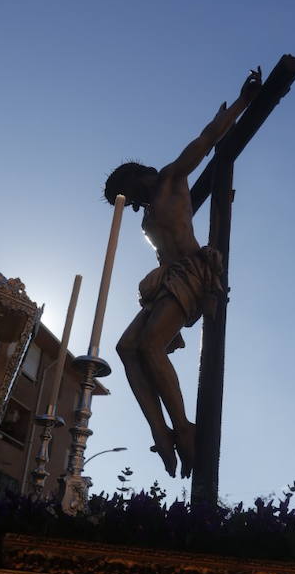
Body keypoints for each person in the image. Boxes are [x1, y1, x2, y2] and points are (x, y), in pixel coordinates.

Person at [105, 68, 262, 478]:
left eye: (131, 193)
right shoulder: (145, 221)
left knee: (151, 345)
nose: (135, 203)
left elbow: (208, 140)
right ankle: (161, 431)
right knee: (127, 348)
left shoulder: (173, 179)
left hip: (193, 273)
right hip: (167, 282)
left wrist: (243, 102)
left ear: (139, 177)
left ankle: (183, 427)